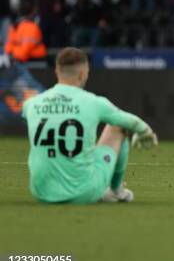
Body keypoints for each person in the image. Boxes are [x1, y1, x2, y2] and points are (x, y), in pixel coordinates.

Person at [22, 47, 158, 204]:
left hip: (41, 193)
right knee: (119, 127)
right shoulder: (94, 102)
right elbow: (131, 122)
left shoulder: (31, 104)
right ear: (82, 74)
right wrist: (145, 132)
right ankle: (116, 191)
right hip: (83, 192)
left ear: (57, 71)